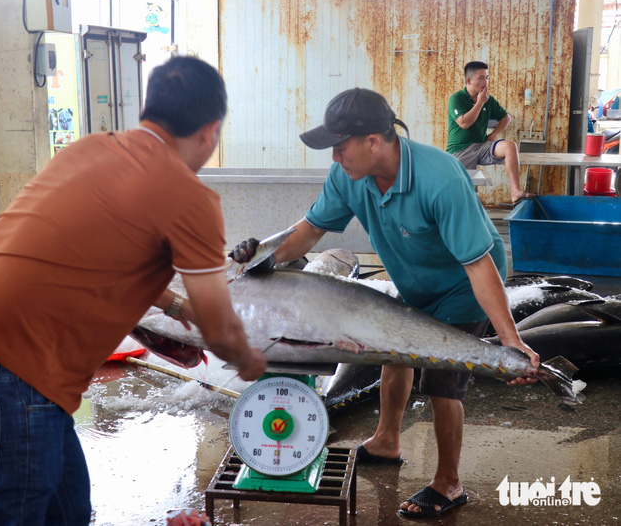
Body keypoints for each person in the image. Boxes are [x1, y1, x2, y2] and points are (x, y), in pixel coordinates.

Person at [0, 56, 267, 525]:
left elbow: (91, 248)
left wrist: (171, 302)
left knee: (67, 511)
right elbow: (220, 326)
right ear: (210, 131)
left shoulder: (88, 150)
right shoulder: (189, 195)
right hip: (5, 365)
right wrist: (252, 360)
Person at [230, 88, 539, 518]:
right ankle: (387, 440)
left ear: (374, 141)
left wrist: (511, 339)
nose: (335, 157)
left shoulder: (440, 178)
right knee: (393, 353)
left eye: (340, 147)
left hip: (465, 283)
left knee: (442, 379)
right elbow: (311, 230)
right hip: (414, 279)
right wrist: (263, 257)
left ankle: (448, 483)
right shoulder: (349, 177)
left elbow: (477, 263)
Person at [446, 61, 535, 204]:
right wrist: (480, 103)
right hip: (460, 150)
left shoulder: (488, 99)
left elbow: (506, 118)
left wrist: (492, 136)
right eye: (481, 78)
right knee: (466, 194)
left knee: (510, 146)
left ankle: (515, 192)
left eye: (486, 77)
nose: (485, 82)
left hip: (481, 146)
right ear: (469, 80)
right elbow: (464, 123)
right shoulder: (456, 98)